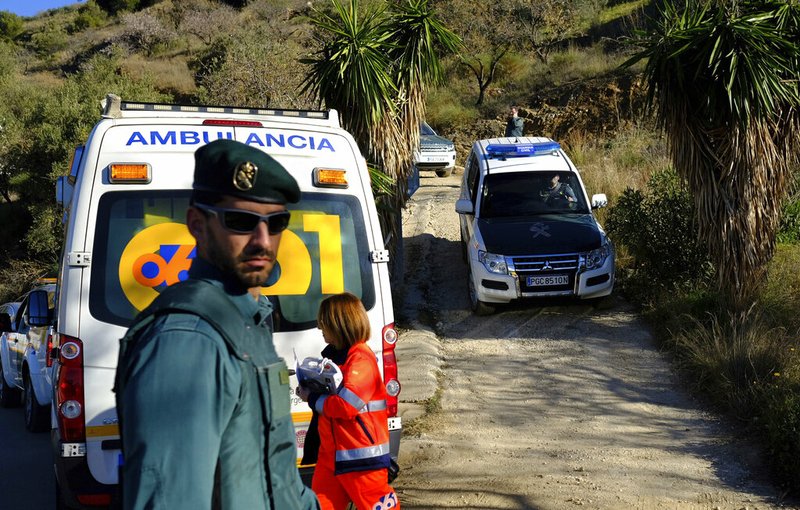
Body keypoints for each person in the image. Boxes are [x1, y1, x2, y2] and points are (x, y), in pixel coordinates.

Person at [114, 139, 319, 510]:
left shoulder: (247, 320)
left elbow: (278, 484)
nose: (262, 240)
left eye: (276, 223)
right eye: (240, 222)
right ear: (197, 224)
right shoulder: (186, 341)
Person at [297, 292, 399, 510]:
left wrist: (312, 397)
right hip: (333, 457)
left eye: (323, 322)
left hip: (362, 461)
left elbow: (346, 407)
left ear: (339, 324)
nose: (319, 327)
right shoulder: (341, 357)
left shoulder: (360, 359)